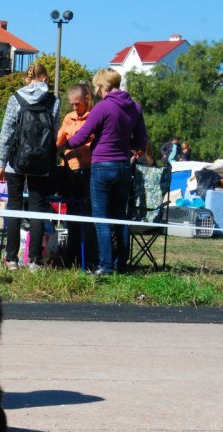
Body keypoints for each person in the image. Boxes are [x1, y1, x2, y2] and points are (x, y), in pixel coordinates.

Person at [58, 67, 149, 276]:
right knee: (120, 218)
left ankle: (105, 267)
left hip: (101, 166)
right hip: (123, 167)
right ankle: (121, 265)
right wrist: (125, 145)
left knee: (101, 218)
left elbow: (82, 136)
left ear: (102, 87)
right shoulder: (134, 107)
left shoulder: (103, 107)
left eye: (98, 88)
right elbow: (141, 140)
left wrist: (63, 147)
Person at [0, 63, 59, 272]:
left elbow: (7, 131)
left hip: (16, 161)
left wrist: (2, 162)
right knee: (37, 209)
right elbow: (54, 133)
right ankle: (34, 260)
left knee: (14, 207)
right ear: (45, 78)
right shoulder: (53, 100)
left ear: (28, 77)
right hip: (41, 163)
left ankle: (11, 259)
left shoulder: (16, 98)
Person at [56, 81, 98, 269]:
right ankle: (70, 257)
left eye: (78, 103)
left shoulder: (94, 117)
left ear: (87, 99)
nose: (75, 107)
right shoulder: (68, 118)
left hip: (88, 170)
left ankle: (89, 258)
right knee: (71, 215)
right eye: (72, 104)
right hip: (69, 171)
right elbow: (59, 141)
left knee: (88, 216)